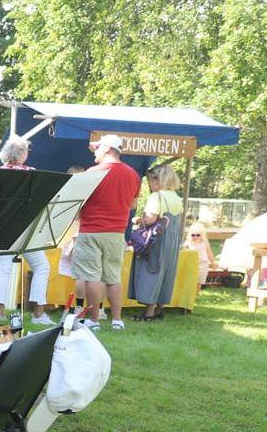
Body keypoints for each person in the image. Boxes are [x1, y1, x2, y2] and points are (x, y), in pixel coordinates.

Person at [73, 133, 140, 331]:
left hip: (91, 230)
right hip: (117, 232)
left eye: (98, 147)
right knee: (112, 277)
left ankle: (94, 320)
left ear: (108, 149)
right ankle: (117, 320)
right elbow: (133, 204)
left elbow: (79, 202)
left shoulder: (93, 172)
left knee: (91, 276)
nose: (95, 150)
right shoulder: (133, 174)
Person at [0, 137, 55, 327]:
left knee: (3, 270)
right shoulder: (31, 173)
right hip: (27, 228)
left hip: (3, 227)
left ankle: (0, 314)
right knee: (42, 267)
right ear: (22, 153)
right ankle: (38, 313)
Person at [128, 163, 184, 321]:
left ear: (157, 181)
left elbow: (151, 218)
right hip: (172, 240)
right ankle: (160, 307)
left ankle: (149, 312)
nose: (150, 185)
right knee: (167, 272)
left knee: (152, 270)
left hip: (156, 240)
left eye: (150, 182)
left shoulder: (157, 197)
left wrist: (138, 220)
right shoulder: (176, 197)